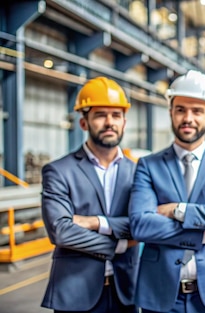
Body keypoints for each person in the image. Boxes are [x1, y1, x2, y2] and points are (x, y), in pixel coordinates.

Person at [129, 70, 205, 313]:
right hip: (160, 293)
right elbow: (141, 224)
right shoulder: (148, 165)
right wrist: (201, 232)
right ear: (171, 112)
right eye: (181, 110)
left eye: (197, 111)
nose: (188, 118)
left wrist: (178, 210)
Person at [40, 77, 139, 313]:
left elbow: (142, 224)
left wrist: (95, 222)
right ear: (84, 122)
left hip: (126, 292)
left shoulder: (138, 172)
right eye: (100, 115)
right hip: (75, 292)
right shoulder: (59, 171)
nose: (109, 122)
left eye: (116, 115)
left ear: (124, 122)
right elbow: (62, 232)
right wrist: (120, 244)